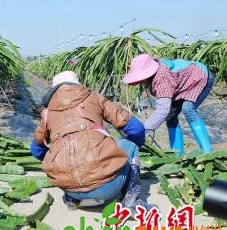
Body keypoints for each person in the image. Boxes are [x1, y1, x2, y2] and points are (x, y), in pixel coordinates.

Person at [30, 71, 150, 212]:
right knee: (129, 144)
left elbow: (36, 149)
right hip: (107, 188)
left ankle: (75, 199)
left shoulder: (47, 113)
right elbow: (136, 129)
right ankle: (130, 200)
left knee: (64, 157)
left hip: (70, 190)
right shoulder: (93, 97)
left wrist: (62, 163)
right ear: (77, 85)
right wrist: (135, 150)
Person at [123, 54, 214, 155]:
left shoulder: (162, 77)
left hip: (200, 77)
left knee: (188, 108)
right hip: (182, 84)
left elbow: (162, 111)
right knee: (171, 116)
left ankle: (207, 153)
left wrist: (142, 131)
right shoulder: (155, 76)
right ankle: (177, 155)